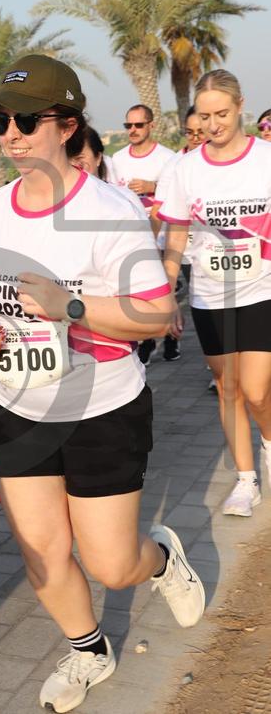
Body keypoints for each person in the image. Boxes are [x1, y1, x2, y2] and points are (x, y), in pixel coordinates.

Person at [0, 54, 205, 713]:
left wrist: (68, 304)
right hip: (15, 404)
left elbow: (156, 314)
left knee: (112, 564)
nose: (10, 134)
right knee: (41, 550)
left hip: (103, 406)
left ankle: (162, 559)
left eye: (25, 120)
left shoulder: (110, 210)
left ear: (66, 125)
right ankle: (88, 649)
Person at [160, 69, 271, 518]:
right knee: (228, 389)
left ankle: (269, 443)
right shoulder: (184, 169)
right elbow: (176, 235)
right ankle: (246, 481)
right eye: (204, 117)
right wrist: (166, 294)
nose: (213, 125)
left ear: (240, 105)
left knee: (257, 390)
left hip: (263, 289)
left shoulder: (266, 159)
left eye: (221, 114)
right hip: (210, 295)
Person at [112, 105, 175, 365]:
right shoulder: (117, 159)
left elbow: (178, 193)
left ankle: (171, 338)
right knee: (140, 291)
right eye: (128, 126)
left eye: (138, 125)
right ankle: (147, 342)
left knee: (165, 289)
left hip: (164, 235)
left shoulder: (167, 157)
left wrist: (152, 186)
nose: (133, 130)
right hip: (133, 238)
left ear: (151, 125)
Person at [151, 107, 207, 363]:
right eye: (189, 132)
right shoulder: (175, 164)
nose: (195, 138)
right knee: (198, 304)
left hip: (223, 249)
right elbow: (158, 209)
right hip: (185, 250)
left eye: (200, 132)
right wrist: (151, 245)